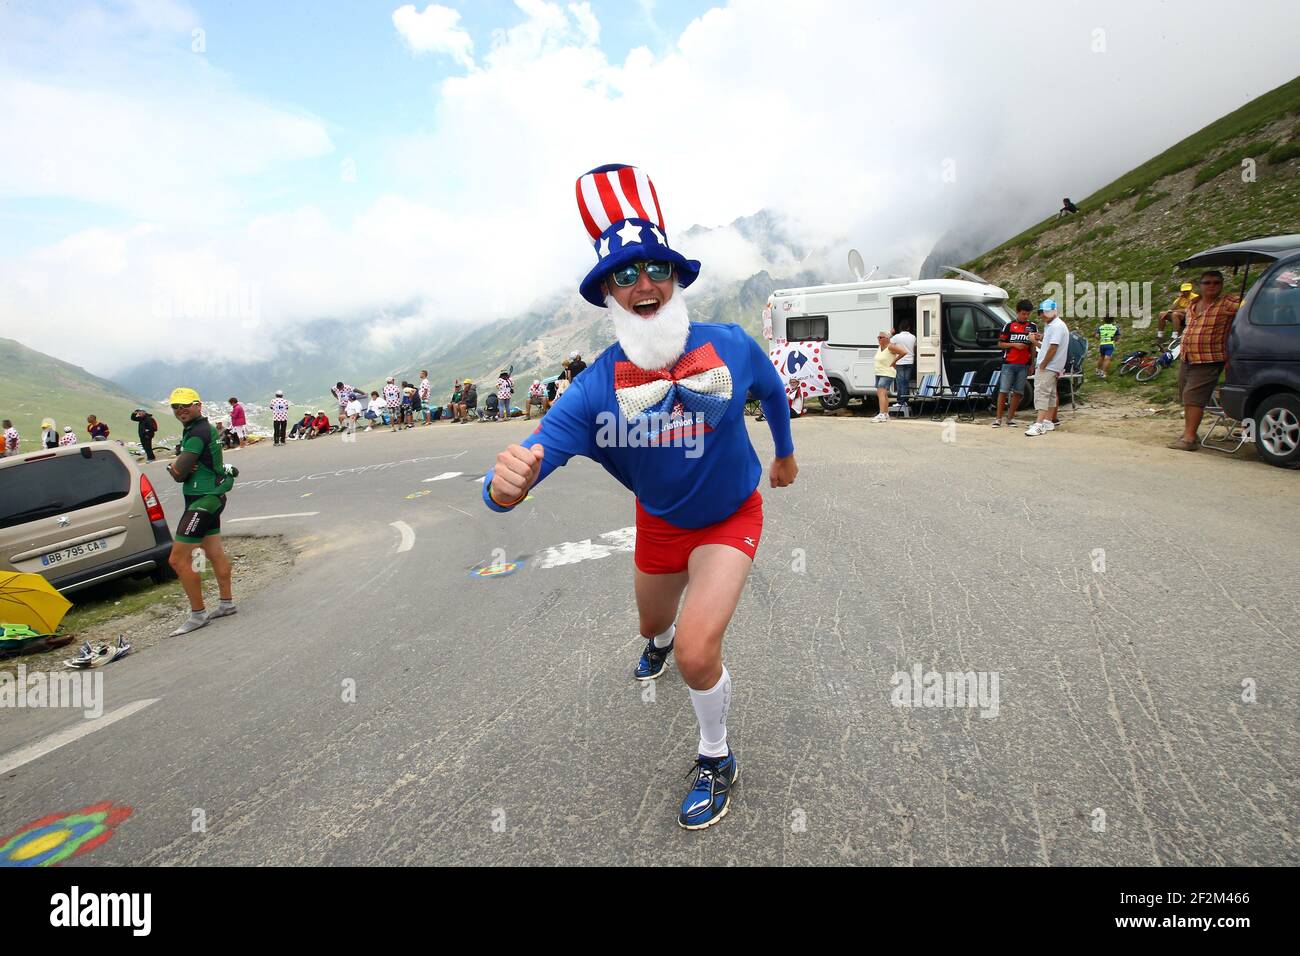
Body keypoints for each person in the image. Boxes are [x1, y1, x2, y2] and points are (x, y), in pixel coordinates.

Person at [484, 163, 798, 830]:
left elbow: (771, 391)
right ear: (608, 295)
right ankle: (653, 642)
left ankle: (716, 757)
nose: (644, 284)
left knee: (694, 651)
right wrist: (500, 487)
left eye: (655, 269)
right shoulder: (595, 388)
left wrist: (785, 452)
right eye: (624, 276)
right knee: (651, 628)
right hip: (657, 526)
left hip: (730, 517)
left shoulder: (732, 345)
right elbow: (528, 463)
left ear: (677, 278)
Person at [164, 388, 236, 637]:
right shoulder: (207, 428)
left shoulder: (196, 433)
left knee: (177, 559)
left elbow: (178, 473)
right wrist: (180, 464)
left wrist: (172, 467)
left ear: (198, 405)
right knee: (213, 551)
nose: (180, 410)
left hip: (202, 500)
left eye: (185, 405)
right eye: (175, 407)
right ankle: (226, 604)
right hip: (213, 496)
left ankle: (198, 615)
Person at [1169, 270, 1240, 452]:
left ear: (1221, 285)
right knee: (1185, 395)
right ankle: (1190, 432)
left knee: (1193, 397)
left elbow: (1246, 305)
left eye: (1216, 283)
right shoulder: (1193, 304)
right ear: (1200, 285)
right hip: (1188, 356)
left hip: (1209, 358)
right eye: (1207, 283)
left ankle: (1189, 439)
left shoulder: (1226, 303)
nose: (1212, 286)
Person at [1025, 299, 1070, 437]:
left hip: (1049, 366)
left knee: (1041, 393)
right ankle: (1048, 421)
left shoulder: (1056, 327)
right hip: (1054, 366)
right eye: (1042, 312)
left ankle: (1039, 424)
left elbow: (1053, 347)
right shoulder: (1054, 326)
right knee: (1050, 394)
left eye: (1045, 313)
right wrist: (1039, 339)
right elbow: (1048, 346)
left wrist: (1043, 364)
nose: (1043, 315)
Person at [992, 299, 1037, 427]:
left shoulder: (1032, 327)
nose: (1026, 316)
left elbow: (1032, 346)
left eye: (1028, 314)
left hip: (1024, 365)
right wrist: (1014, 345)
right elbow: (1000, 344)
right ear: (1017, 312)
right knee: (1003, 390)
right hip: (1009, 364)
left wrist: (1032, 364)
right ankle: (998, 419)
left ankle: (1010, 418)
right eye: (1023, 313)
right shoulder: (1009, 326)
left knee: (1018, 392)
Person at [888, 321, 916, 412]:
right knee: (906, 381)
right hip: (910, 361)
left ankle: (901, 401)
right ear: (908, 328)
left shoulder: (896, 337)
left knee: (900, 381)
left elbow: (889, 345)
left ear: (900, 328)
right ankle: (905, 400)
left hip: (900, 361)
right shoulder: (913, 337)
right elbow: (914, 348)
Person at [870, 330, 896, 422]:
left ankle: (881, 414)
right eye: (878, 337)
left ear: (887, 339)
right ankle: (885, 414)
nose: (879, 339)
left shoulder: (891, 347)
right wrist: (890, 332)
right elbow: (887, 334)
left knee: (881, 393)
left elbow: (903, 352)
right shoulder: (880, 346)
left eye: (881, 337)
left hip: (887, 373)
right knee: (882, 394)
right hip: (879, 373)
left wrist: (894, 362)